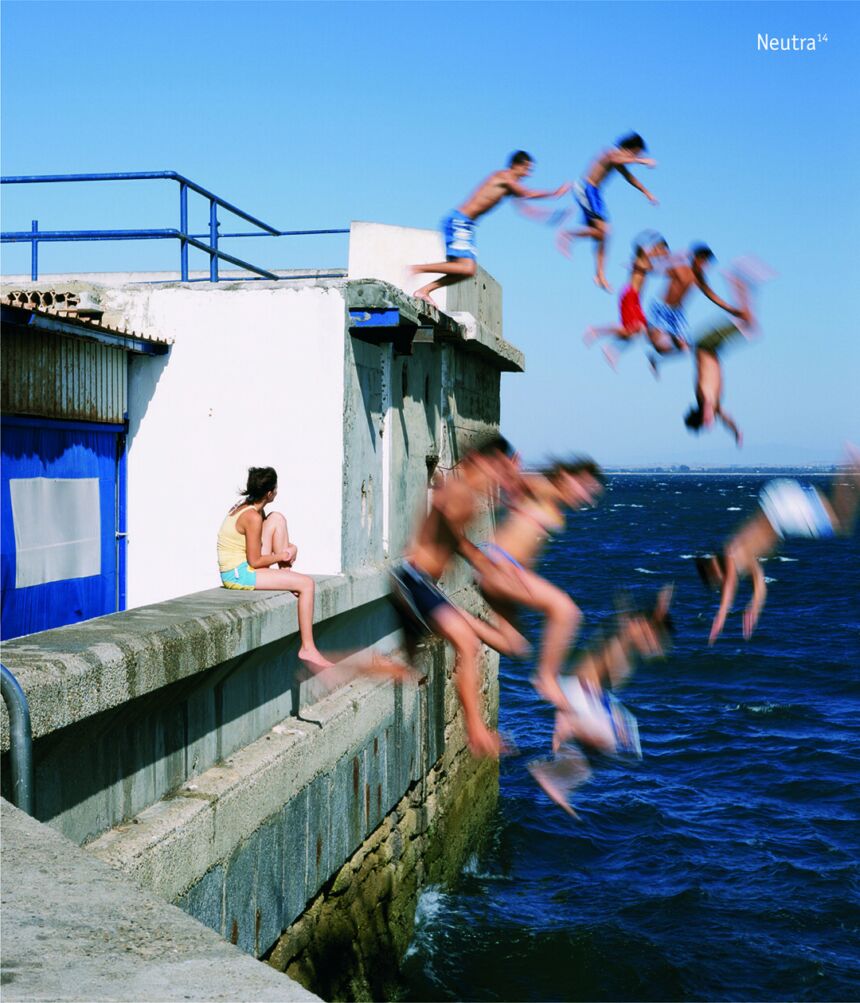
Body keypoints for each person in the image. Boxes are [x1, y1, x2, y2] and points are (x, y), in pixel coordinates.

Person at [389, 434, 535, 758]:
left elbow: (457, 542)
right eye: (496, 470)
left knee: (406, 669)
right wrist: (509, 489)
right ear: (481, 464)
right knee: (468, 645)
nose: (497, 478)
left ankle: (337, 668)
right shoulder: (460, 494)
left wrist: (488, 563)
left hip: (420, 583)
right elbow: (449, 515)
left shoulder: (463, 494)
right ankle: (476, 732)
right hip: (415, 581)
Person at [528, 586, 674, 818]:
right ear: (640, 625)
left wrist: (658, 612)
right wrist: (656, 613)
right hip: (580, 692)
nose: (651, 646)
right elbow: (630, 621)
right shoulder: (624, 635)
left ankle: (559, 778)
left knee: (628, 744)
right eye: (650, 637)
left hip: (594, 697)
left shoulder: (629, 638)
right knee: (613, 740)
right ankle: (563, 748)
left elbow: (643, 631)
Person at [475, 458, 606, 712]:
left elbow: (514, 491)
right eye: (586, 489)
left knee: (515, 645)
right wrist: (509, 472)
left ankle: (451, 615)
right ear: (568, 477)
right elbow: (512, 479)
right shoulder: (544, 486)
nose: (587, 499)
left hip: (505, 571)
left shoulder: (552, 500)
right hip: (499, 566)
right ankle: (546, 679)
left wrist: (511, 493)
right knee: (566, 610)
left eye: (592, 495)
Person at [696, 449, 860, 644]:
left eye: (718, 582)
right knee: (839, 520)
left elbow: (731, 583)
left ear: (716, 573)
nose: (723, 583)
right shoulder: (742, 555)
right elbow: (759, 581)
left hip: (782, 513)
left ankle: (852, 464)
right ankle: (851, 465)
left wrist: (721, 615)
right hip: (777, 498)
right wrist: (754, 606)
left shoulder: (730, 553)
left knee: (839, 523)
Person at [410, 151, 569, 308]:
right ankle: (417, 269)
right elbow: (526, 193)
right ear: (516, 165)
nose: (527, 174)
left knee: (467, 271)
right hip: (459, 221)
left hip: (466, 226)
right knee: (466, 268)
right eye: (526, 169)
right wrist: (554, 193)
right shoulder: (504, 176)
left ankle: (424, 290)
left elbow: (525, 209)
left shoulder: (510, 186)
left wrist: (550, 217)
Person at [217, 467, 332, 669]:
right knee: (306, 584)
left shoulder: (252, 506)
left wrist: (290, 549)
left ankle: (285, 576)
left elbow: (259, 546)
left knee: (277, 518)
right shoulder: (252, 517)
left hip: (244, 566)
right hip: (239, 575)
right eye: (276, 488)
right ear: (270, 493)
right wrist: (283, 555)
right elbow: (254, 561)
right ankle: (307, 647)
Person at [557, 133, 658, 292]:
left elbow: (629, 178)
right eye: (637, 152)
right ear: (633, 148)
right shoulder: (610, 152)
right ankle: (568, 235)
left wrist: (646, 192)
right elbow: (617, 159)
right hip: (586, 189)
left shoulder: (618, 159)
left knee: (603, 234)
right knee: (605, 231)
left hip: (595, 193)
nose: (637, 156)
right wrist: (641, 161)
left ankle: (599, 275)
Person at [646, 244, 745, 376]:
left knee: (685, 348)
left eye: (707, 264)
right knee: (656, 342)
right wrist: (643, 264)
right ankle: (644, 333)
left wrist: (731, 310)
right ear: (696, 259)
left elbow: (712, 296)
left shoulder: (700, 280)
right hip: (661, 309)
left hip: (675, 315)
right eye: (704, 262)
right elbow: (657, 269)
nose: (705, 267)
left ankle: (656, 359)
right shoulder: (680, 269)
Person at [683, 269, 756, 446]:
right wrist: (736, 432)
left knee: (749, 323)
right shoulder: (714, 407)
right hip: (712, 348)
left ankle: (737, 278)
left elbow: (708, 403)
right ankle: (739, 281)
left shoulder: (703, 397)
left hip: (706, 345)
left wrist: (708, 417)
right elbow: (726, 418)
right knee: (749, 325)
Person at [583, 233, 670, 369]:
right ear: (658, 248)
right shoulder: (643, 258)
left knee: (636, 331)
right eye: (663, 252)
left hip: (636, 300)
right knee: (634, 329)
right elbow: (640, 258)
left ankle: (612, 350)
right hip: (629, 296)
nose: (662, 257)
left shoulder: (649, 261)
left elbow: (656, 267)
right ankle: (597, 332)